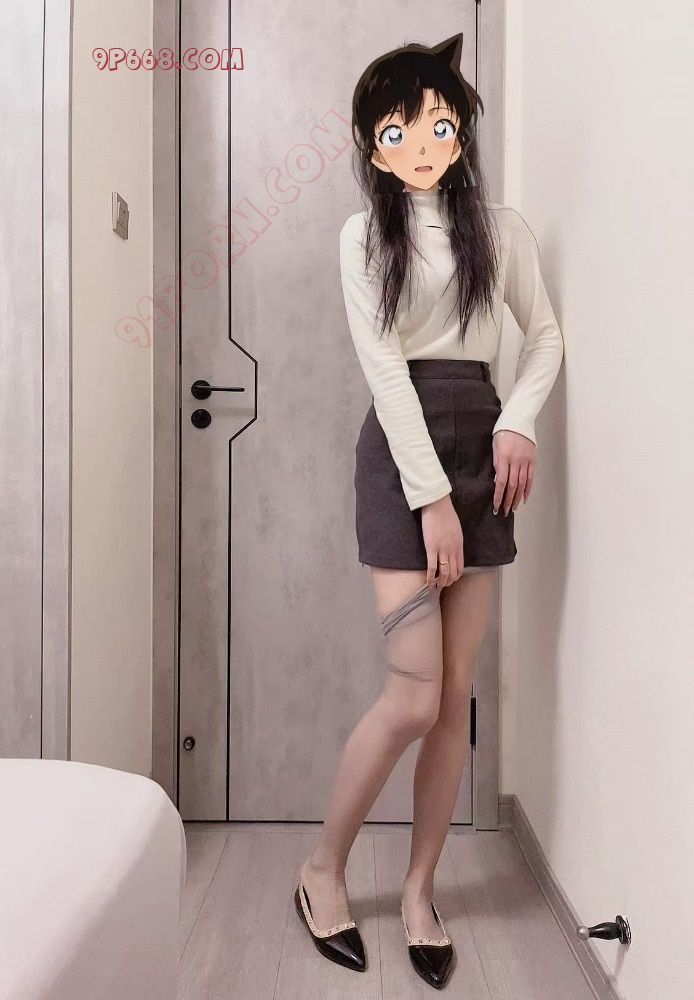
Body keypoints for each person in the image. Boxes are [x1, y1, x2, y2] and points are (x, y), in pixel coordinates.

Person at [293, 33, 564, 990]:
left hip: (483, 441)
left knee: (455, 696)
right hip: (405, 451)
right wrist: (434, 499)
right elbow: (383, 370)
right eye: (397, 128)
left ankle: (419, 891)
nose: (419, 143)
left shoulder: (503, 230)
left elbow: (542, 337)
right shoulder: (363, 238)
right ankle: (321, 869)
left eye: (438, 125)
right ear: (370, 142)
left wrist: (518, 422)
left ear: (462, 131)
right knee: (413, 692)